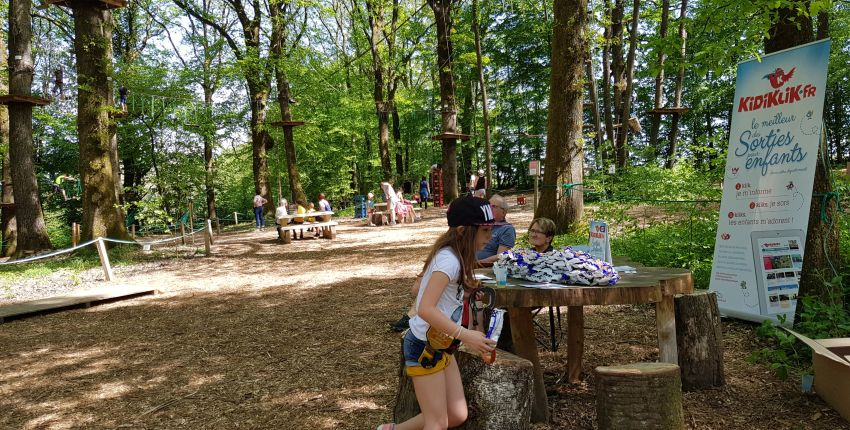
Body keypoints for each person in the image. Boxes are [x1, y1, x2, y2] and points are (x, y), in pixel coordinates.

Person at [377, 196, 497, 430]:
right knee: (438, 423)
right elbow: (425, 308)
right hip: (425, 347)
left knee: (456, 414)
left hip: (442, 344)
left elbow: (449, 303)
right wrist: (465, 335)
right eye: (484, 231)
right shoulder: (448, 261)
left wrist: (474, 337)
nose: (489, 238)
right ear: (463, 231)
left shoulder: (459, 257)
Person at [476, 194, 515, 264]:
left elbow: (501, 256)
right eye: (488, 206)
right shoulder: (482, 225)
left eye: (493, 206)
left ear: (503, 212)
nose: (489, 209)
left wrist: (478, 263)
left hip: (484, 268)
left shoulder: (507, 229)